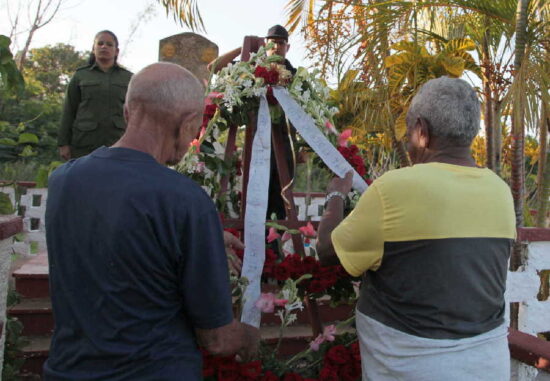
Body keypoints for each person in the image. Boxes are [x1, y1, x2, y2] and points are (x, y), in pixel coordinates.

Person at [45, 62, 260, 380]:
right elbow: (216, 340)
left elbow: (113, 242)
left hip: (67, 370)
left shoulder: (63, 180)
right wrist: (249, 335)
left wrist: (199, 240)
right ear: (189, 123)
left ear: (127, 112)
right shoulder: (185, 200)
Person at [317, 77, 516, 380]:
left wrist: (335, 196)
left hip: (413, 368)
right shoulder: (500, 191)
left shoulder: (394, 188)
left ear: (421, 132)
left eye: (409, 132)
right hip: (489, 364)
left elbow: (327, 251)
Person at [209, 25, 299, 219]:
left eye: (281, 43)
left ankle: (274, 248)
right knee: (255, 202)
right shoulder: (251, 67)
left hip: (283, 146)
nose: (276, 47)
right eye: (272, 42)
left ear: (287, 47)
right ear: (265, 45)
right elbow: (214, 67)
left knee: (280, 206)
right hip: (256, 144)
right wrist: (243, 49)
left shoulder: (294, 74)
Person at [58, 30, 133, 160]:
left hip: (117, 142)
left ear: (116, 51)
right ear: (93, 49)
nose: (104, 47)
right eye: (100, 43)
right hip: (84, 144)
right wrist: (63, 143)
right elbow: (69, 110)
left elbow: (135, 113)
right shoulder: (81, 76)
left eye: (109, 44)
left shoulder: (128, 78)